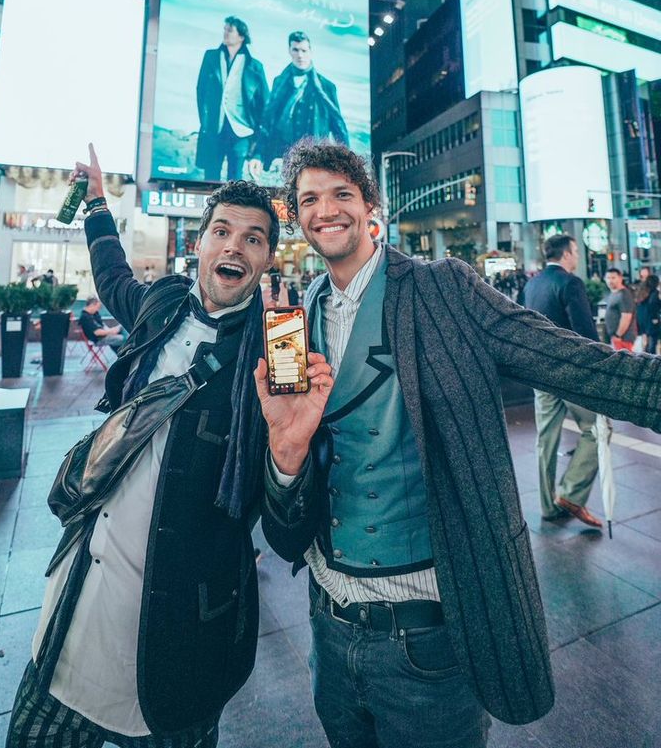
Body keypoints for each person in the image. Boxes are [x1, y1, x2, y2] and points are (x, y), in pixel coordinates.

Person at [254, 139, 661, 748]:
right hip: (330, 627)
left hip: (429, 633)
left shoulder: (444, 289)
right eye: (309, 199)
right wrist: (283, 458)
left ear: (371, 207)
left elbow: (565, 358)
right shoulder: (299, 312)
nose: (325, 209)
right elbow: (291, 484)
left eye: (342, 193)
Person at [6, 144, 327, 748]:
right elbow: (112, 276)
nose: (235, 246)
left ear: (266, 259)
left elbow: (290, 530)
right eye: (223, 232)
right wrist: (98, 201)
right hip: (70, 620)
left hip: (179, 654)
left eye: (254, 238)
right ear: (199, 244)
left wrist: (289, 457)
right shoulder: (162, 304)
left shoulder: (279, 348)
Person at [523, 234, 602, 528]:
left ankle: (547, 505)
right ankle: (571, 493)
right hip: (570, 374)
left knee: (546, 440)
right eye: (577, 252)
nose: (578, 257)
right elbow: (584, 332)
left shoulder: (532, 284)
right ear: (567, 254)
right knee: (597, 429)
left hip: (538, 371)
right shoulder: (570, 283)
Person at [252, 31, 349, 176]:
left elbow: (338, 127)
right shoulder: (279, 82)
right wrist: (258, 153)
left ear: (310, 52)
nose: (300, 55)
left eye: (304, 50)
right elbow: (268, 120)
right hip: (283, 155)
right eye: (295, 50)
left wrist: (346, 162)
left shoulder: (327, 87)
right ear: (289, 51)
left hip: (314, 159)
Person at [195, 16, 269, 182]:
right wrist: (205, 121)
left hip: (241, 132)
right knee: (210, 179)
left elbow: (265, 105)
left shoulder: (255, 66)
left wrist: (257, 139)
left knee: (235, 181)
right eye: (225, 29)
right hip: (215, 128)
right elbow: (200, 91)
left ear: (241, 37)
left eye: (230, 30)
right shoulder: (211, 57)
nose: (225, 33)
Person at [604, 267, 637, 350]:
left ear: (620, 278)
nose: (610, 281)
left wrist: (618, 335)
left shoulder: (624, 294)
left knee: (624, 362)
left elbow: (626, 317)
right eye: (608, 278)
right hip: (616, 338)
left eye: (613, 278)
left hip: (623, 338)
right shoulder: (613, 294)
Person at [636, 273, 661, 354]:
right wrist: (655, 318)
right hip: (651, 319)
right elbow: (653, 305)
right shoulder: (655, 292)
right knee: (653, 341)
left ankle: (646, 357)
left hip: (642, 319)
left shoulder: (643, 292)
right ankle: (651, 360)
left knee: (646, 341)